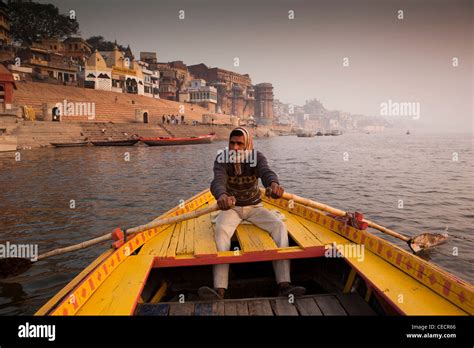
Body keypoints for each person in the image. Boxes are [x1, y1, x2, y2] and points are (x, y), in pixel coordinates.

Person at [198, 127, 306, 300]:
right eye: (232, 143)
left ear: (248, 144)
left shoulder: (257, 157)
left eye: (240, 144)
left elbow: (266, 172)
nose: (235, 148)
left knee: (279, 226)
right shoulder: (222, 159)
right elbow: (217, 181)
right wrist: (222, 195)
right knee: (220, 231)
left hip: (255, 207)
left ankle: (284, 285)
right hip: (231, 208)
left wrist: (273, 184)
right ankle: (219, 290)